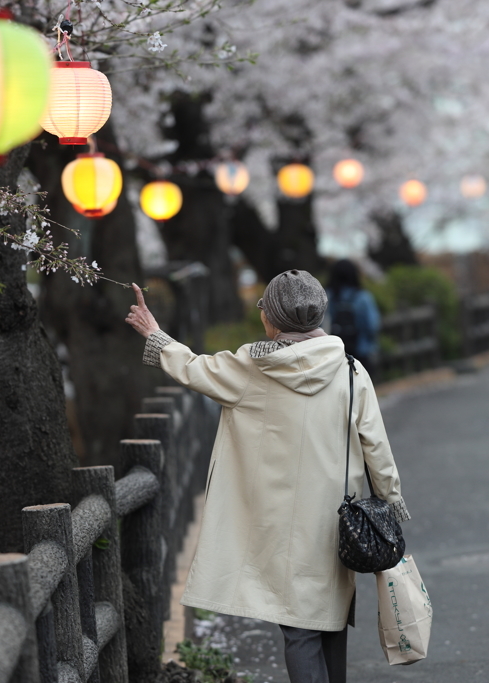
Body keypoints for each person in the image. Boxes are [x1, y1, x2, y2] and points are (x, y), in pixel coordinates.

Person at [126, 269, 410, 683]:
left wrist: (155, 334)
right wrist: (390, 503)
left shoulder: (253, 368)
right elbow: (377, 449)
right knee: (329, 618)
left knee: (297, 627)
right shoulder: (350, 371)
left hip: (277, 525)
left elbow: (192, 367)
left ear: (273, 319)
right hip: (338, 520)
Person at [325, 259, 381, 375]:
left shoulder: (327, 296)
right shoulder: (363, 297)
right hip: (361, 351)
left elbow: (320, 323)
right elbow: (373, 325)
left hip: (335, 354)